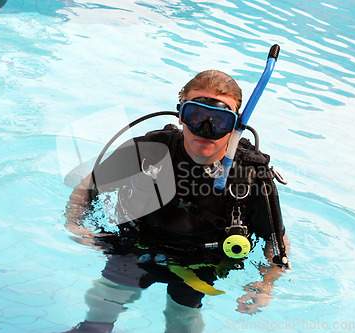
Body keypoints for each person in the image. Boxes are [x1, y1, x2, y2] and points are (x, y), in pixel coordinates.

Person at [64, 70, 290, 333]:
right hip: (138, 246)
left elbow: (277, 241)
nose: (206, 130)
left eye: (220, 120)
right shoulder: (150, 149)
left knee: (182, 319)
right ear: (181, 114)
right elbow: (89, 184)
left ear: (237, 124)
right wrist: (75, 224)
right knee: (101, 307)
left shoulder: (251, 175)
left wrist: (267, 284)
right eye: (195, 116)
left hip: (202, 260)